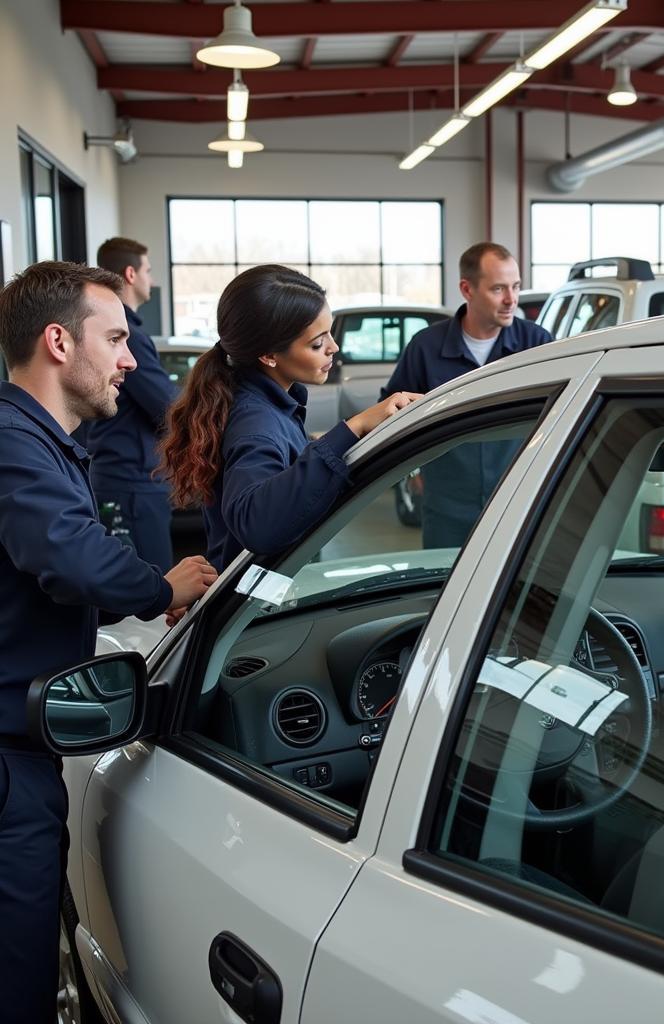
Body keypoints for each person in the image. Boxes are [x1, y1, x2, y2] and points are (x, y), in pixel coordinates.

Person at [0, 261, 217, 1024]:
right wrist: (161, 590)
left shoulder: (35, 438)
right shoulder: (13, 439)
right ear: (59, 342)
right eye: (117, 338)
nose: (132, 358)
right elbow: (66, 554)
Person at [159, 265, 419, 572]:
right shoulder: (256, 422)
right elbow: (256, 524)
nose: (334, 348)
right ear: (269, 355)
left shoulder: (269, 405)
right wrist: (354, 426)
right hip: (255, 610)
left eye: (330, 334)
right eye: (317, 343)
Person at [381, 242, 552, 547]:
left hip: (516, 500)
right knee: (442, 587)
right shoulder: (426, 347)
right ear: (467, 289)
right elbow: (392, 412)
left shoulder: (536, 344)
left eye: (516, 287)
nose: (511, 299)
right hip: (446, 505)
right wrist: (413, 468)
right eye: (498, 289)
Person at [83, 236, 177, 572]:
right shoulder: (130, 336)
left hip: (127, 477)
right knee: (149, 591)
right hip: (130, 482)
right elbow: (166, 404)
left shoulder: (128, 332)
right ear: (131, 274)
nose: (152, 279)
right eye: (148, 270)